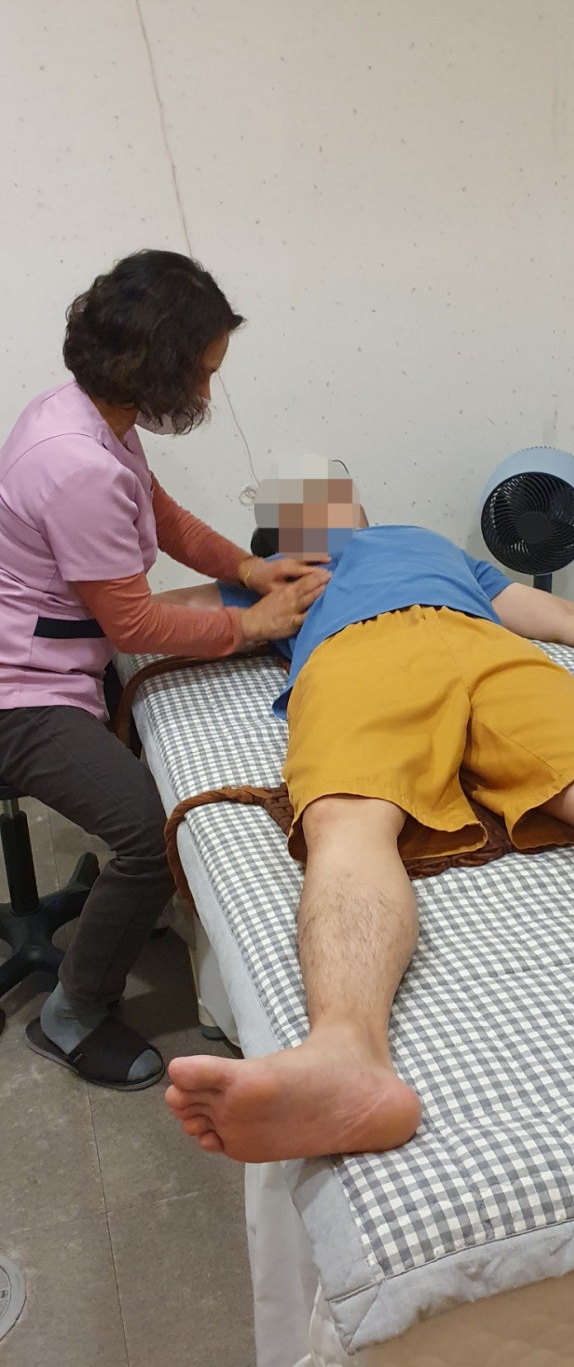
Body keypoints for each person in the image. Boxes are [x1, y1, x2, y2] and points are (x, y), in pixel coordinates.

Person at [165, 481, 574, 1161]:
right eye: (300, 508)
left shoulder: (428, 545)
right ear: (282, 537)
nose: (322, 503)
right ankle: (346, 1059)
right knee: (347, 817)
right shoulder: (279, 574)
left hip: (487, 647)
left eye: (331, 495)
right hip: (354, 655)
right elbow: (151, 615)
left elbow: (562, 616)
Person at [0, 251, 327, 1090]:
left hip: (57, 653)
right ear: (156, 365)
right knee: (150, 837)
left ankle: (122, 914)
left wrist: (249, 569)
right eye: (204, 374)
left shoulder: (89, 416)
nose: (209, 394)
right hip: (18, 693)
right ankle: (72, 1015)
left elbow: (161, 513)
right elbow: (136, 624)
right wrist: (250, 623)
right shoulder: (73, 463)